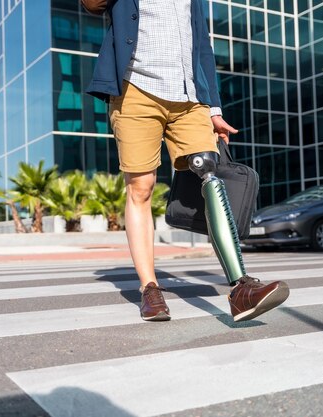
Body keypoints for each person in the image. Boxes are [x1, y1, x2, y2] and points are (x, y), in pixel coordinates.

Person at [82, 0, 289, 322]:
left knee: (209, 172)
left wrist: (214, 109)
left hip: (190, 96)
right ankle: (149, 288)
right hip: (136, 90)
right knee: (141, 187)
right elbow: (92, 4)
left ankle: (240, 287)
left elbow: (202, 45)